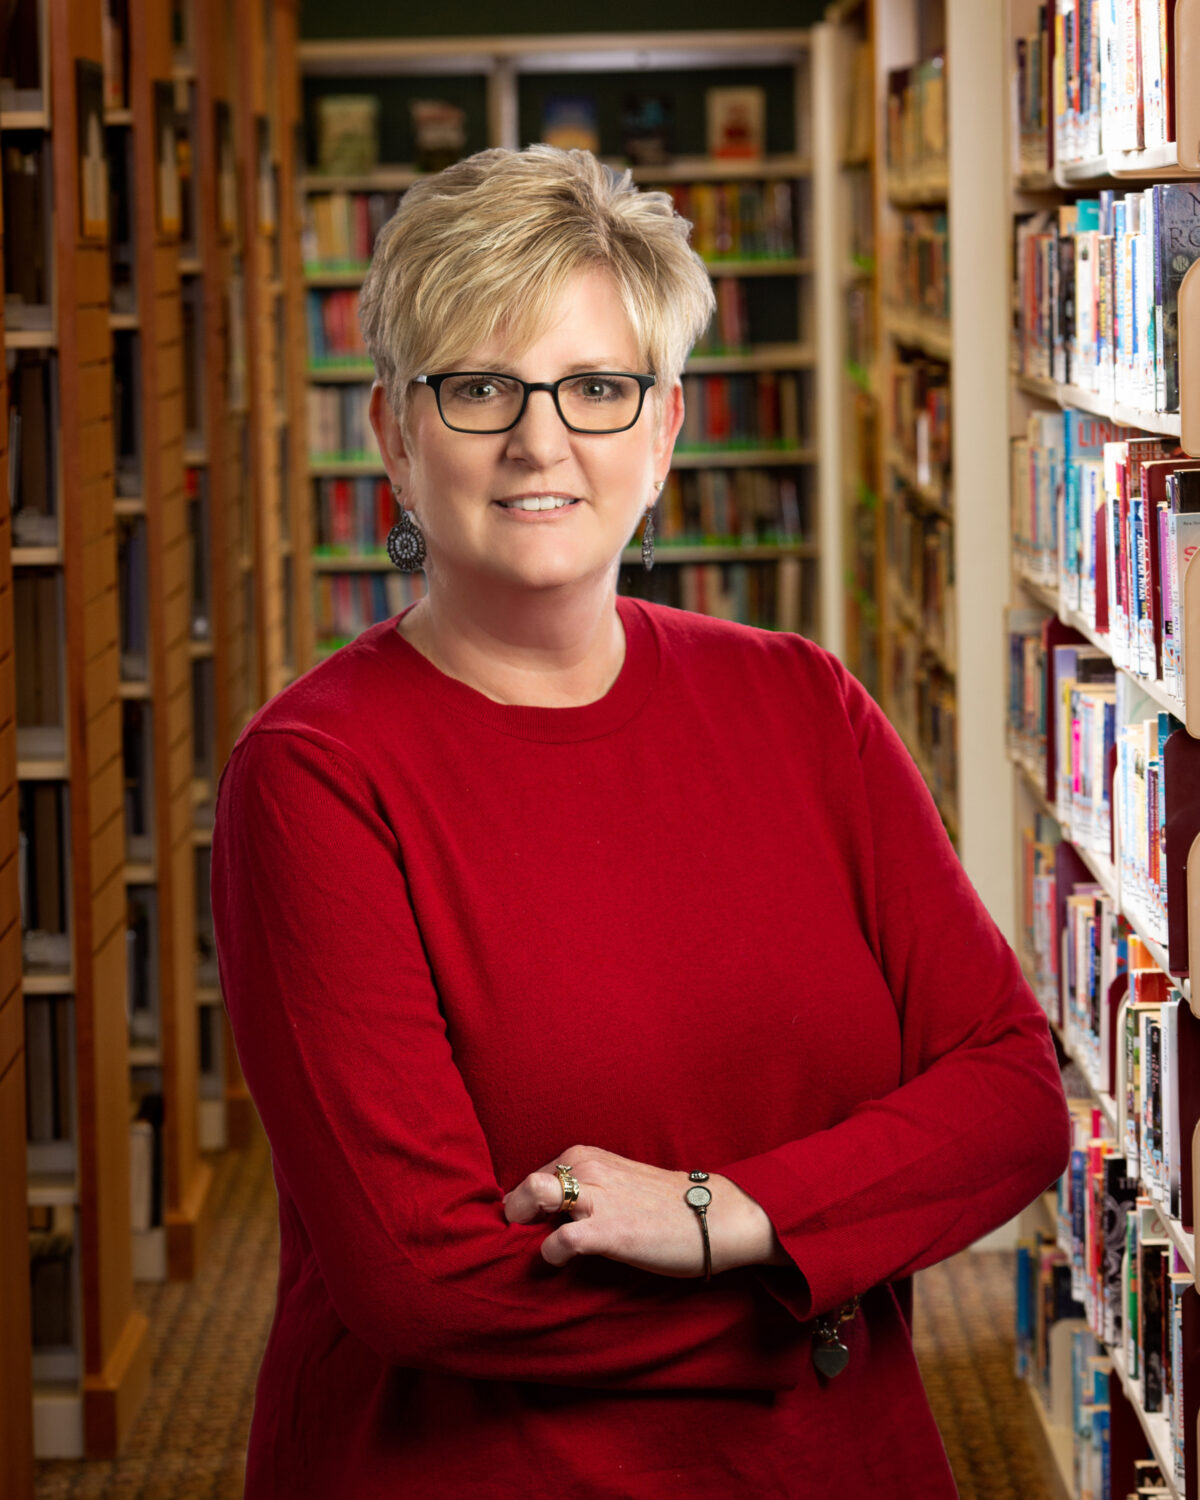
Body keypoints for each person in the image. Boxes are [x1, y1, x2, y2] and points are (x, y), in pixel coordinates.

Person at [211, 145, 1071, 1499]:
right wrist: (815, 1285)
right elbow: (427, 1283)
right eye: (479, 387)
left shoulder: (804, 705)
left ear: (665, 430)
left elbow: (1015, 1097)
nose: (539, 441)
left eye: (598, 388)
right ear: (391, 432)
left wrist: (725, 1216)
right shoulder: (315, 776)